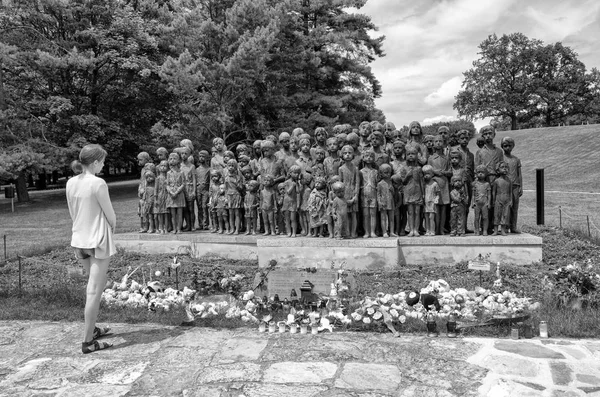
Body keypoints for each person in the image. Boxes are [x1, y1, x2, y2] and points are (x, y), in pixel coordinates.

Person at [66, 144, 115, 354]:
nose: (103, 165)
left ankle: (92, 329)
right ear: (94, 162)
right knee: (94, 291)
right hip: (97, 240)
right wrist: (111, 227)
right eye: (102, 161)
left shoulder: (70, 183)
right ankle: (88, 341)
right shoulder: (98, 183)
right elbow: (110, 215)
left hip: (79, 239)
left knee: (96, 285)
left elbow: (72, 212)